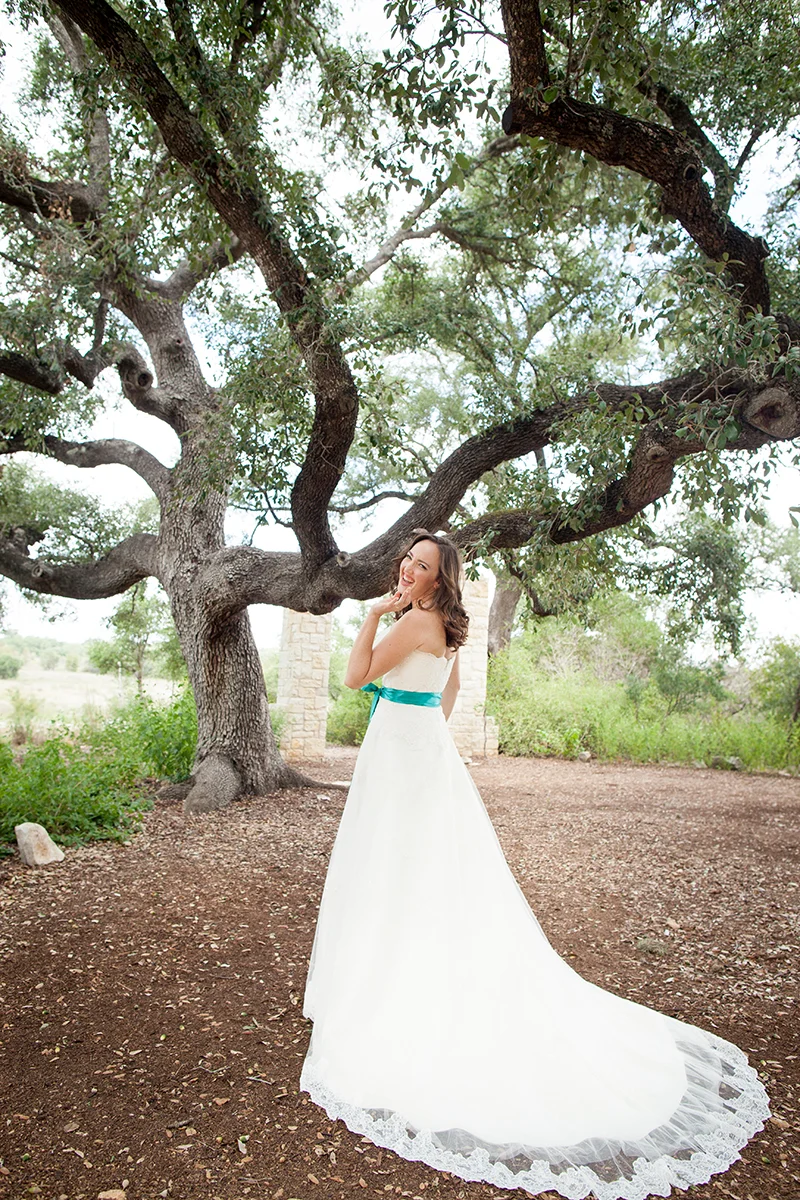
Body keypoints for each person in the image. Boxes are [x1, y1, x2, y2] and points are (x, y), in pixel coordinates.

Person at [300, 531, 769, 1200]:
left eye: (423, 564)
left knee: (395, 870)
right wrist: (421, 730)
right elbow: (448, 696)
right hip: (420, 752)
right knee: (419, 874)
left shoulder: (414, 622)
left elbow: (353, 678)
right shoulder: (444, 628)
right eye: (409, 558)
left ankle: (391, 983)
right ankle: (400, 965)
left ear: (440, 580)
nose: (409, 567)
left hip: (402, 755)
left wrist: (375, 615)